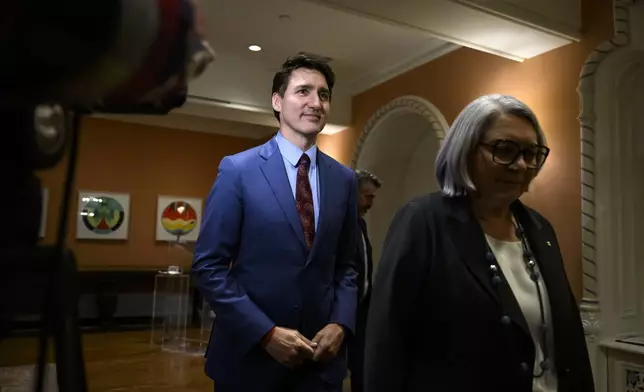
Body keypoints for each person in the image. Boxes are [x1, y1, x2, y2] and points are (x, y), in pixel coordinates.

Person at [364, 94, 594, 392]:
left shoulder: (539, 228)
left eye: (531, 152)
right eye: (505, 150)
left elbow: (569, 339)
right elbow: (387, 341)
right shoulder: (423, 221)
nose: (521, 164)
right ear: (464, 150)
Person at [193, 53, 359, 392]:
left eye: (323, 94)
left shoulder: (344, 179)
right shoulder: (238, 170)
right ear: (277, 101)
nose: (316, 102)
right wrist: (265, 333)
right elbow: (209, 266)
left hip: (320, 365)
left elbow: (348, 266)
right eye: (303, 91)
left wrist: (341, 323)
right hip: (250, 361)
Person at [347, 169, 381, 392]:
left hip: (361, 309)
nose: (371, 202)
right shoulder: (341, 224)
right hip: (342, 310)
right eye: (368, 196)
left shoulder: (361, 224)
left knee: (361, 365)